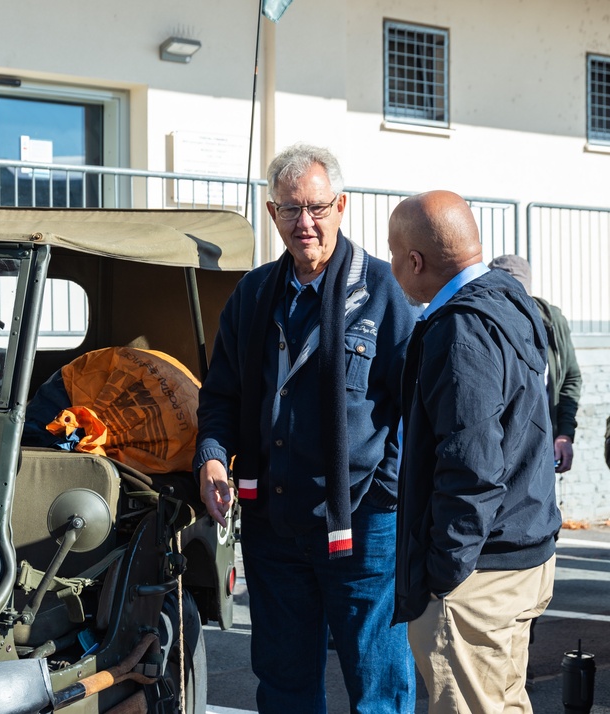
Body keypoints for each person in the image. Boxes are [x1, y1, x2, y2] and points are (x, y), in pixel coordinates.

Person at [195, 143, 418, 713]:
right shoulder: (251, 296)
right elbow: (221, 395)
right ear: (272, 215)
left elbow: (414, 408)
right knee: (284, 684)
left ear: (341, 206)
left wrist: (384, 490)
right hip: (274, 526)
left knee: (379, 690)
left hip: (363, 530)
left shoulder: (384, 292)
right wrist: (214, 459)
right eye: (290, 209)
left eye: (317, 207)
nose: (305, 223)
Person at [388, 190, 562, 713]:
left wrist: (445, 574)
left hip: (479, 576)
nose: (391, 266)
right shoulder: (507, 301)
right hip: (518, 557)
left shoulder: (462, 328)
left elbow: (472, 467)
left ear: (416, 261)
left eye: (394, 254)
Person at [489, 254, 581, 473]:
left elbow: (570, 377)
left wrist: (564, 434)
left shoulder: (552, 320)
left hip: (543, 452)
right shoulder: (483, 323)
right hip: (498, 455)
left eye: (517, 293)